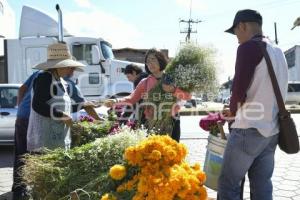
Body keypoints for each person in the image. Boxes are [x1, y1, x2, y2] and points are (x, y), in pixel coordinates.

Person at [218, 9, 288, 200]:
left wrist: (231, 111)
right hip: (271, 130)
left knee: (228, 184)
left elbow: (239, 90)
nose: (237, 38)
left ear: (242, 26)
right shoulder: (277, 50)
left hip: (247, 129)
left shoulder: (248, 47)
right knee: (262, 185)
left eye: (236, 33)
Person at [104, 49, 191, 142]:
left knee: (171, 152)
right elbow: (132, 98)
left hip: (172, 121)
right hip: (151, 123)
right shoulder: (145, 82)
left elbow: (187, 96)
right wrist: (116, 101)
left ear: (160, 60)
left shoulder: (173, 79)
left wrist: (173, 90)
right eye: (148, 61)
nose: (150, 63)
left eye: (153, 59)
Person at [26, 43, 90, 152]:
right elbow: (38, 105)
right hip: (44, 143)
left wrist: (83, 105)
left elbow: (62, 107)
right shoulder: (45, 78)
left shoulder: (60, 81)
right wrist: (61, 115)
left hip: (57, 141)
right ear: (60, 65)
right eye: (69, 67)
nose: (71, 71)